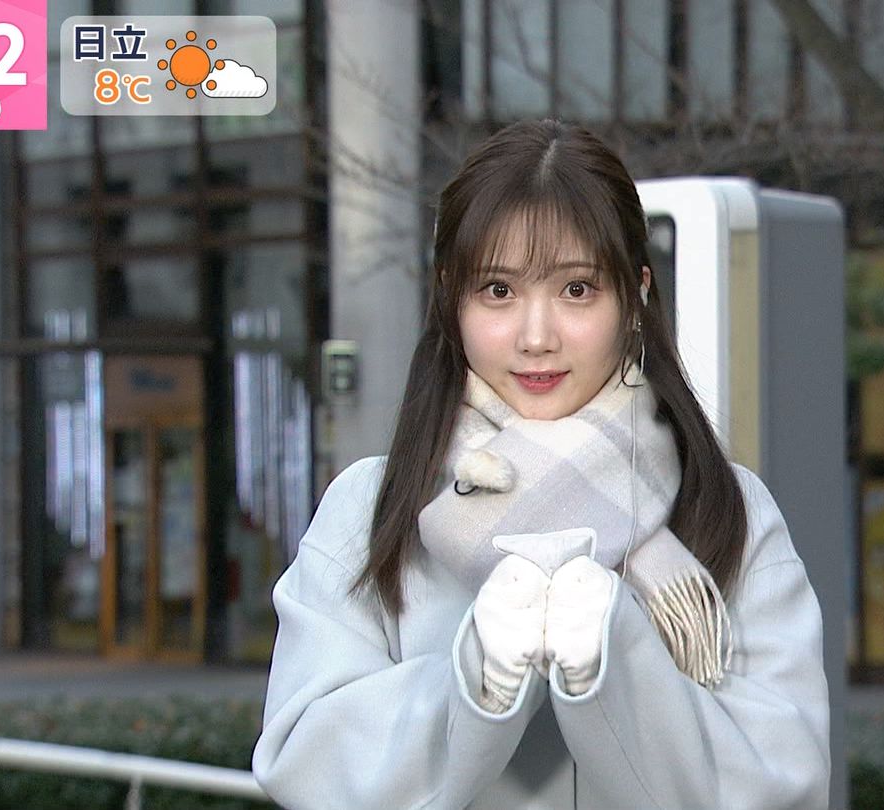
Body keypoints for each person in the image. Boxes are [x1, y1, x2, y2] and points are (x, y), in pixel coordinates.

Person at [252, 119, 830, 809]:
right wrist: (476, 678)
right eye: (498, 290)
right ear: (451, 298)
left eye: (577, 289)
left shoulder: (726, 505)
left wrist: (621, 662)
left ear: (637, 295)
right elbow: (306, 764)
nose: (536, 336)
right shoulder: (372, 506)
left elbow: (784, 777)